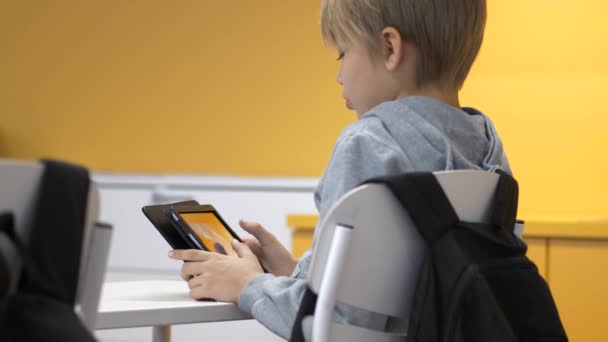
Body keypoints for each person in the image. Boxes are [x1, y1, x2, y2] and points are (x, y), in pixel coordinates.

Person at [169, 0, 511, 338]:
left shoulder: (368, 144)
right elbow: (401, 298)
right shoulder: (487, 147)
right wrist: (295, 270)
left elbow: (337, 327)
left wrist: (247, 285)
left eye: (343, 53)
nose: (338, 74)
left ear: (390, 48)